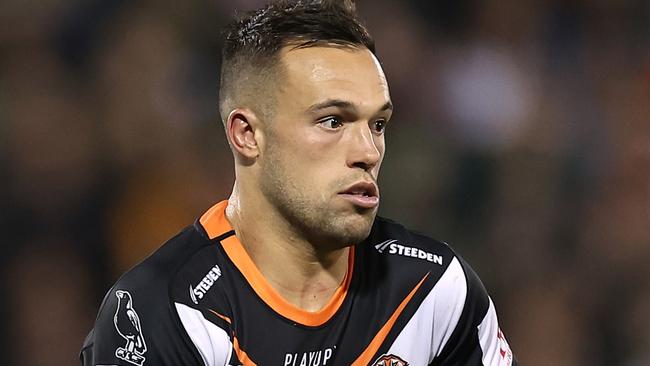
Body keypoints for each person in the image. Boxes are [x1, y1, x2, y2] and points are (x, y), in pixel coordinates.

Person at [80, 1, 517, 365]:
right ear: (247, 135)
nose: (368, 150)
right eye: (332, 121)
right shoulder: (168, 310)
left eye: (378, 124)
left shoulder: (434, 291)